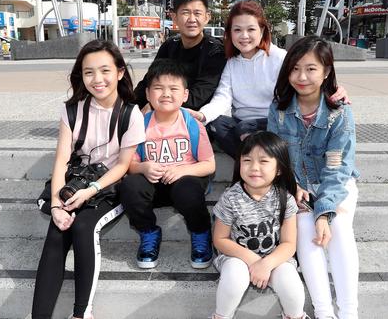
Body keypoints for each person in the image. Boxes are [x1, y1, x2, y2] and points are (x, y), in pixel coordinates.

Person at [31, 40, 146, 319]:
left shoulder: (131, 113)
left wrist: (92, 189)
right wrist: (57, 205)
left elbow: (122, 166)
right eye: (89, 72)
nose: (98, 79)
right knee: (57, 231)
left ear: (120, 72)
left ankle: (82, 314)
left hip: (107, 187)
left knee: (83, 227)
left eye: (105, 70)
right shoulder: (71, 110)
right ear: (81, 76)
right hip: (75, 180)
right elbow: (61, 159)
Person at [268, 36, 360, 319]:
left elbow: (338, 168)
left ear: (326, 71)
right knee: (305, 231)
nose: (302, 77)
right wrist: (292, 185)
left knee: (338, 227)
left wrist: (324, 211)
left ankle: (348, 313)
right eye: (295, 69)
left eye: (311, 69)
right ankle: (323, 312)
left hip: (335, 184)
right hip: (295, 186)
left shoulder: (339, 113)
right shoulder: (279, 110)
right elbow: (276, 158)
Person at [190, 0, 348, 158]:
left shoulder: (279, 57)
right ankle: (258, 160)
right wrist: (203, 114)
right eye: (237, 30)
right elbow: (222, 97)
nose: (244, 36)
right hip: (241, 123)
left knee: (245, 128)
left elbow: (304, 82)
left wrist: (334, 90)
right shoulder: (231, 63)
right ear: (230, 33)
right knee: (216, 125)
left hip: (275, 121)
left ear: (262, 29)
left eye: (251, 29)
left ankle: (254, 160)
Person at [119, 59, 216, 269]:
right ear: (147, 94)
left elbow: (209, 164)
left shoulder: (192, 124)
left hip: (185, 181)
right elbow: (130, 165)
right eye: (158, 88)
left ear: (185, 95)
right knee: (129, 187)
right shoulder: (139, 125)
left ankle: (200, 233)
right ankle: (148, 232)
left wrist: (183, 170)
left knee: (188, 190)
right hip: (154, 183)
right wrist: (143, 167)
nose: (166, 94)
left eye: (173, 88)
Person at [211, 131, 309, 319]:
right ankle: (221, 316)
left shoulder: (285, 199)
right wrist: (254, 261)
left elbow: (289, 244)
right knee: (235, 276)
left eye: (263, 161)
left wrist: (267, 263)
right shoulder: (230, 198)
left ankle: (295, 316)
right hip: (237, 257)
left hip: (274, 258)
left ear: (279, 168)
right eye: (247, 160)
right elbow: (220, 239)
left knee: (290, 282)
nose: (254, 167)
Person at [134, 0, 227, 112]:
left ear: (207, 17)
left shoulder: (215, 51)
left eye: (197, 13)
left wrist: (154, 105)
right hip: (163, 110)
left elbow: (199, 97)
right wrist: (129, 106)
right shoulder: (169, 45)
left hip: (197, 119)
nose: (192, 19)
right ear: (174, 17)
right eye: (185, 13)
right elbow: (148, 81)